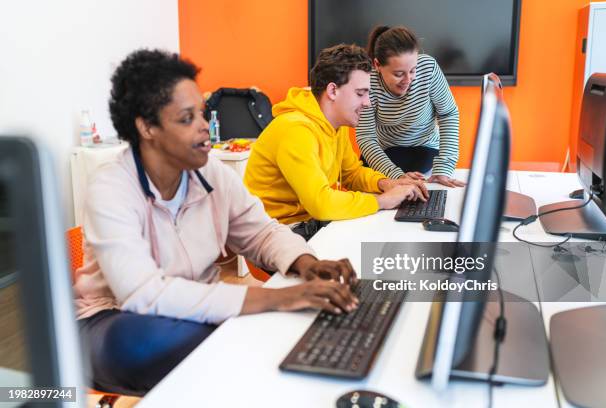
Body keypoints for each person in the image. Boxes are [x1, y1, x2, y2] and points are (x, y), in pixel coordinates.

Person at [73, 49, 359, 395]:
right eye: (185, 118)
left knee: (257, 330)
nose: (203, 126)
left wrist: (308, 263)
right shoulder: (112, 187)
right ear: (146, 127)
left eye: (202, 114)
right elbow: (144, 295)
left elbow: (261, 233)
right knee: (169, 340)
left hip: (195, 311)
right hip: (114, 321)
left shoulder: (210, 173)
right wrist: (277, 299)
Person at [244, 44, 428, 240]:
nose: (368, 102)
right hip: (276, 233)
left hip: (309, 222)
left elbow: (352, 173)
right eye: (360, 93)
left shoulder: (335, 125)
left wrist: (386, 184)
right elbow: (321, 203)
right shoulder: (295, 129)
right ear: (332, 90)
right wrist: (382, 201)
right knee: (372, 249)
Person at [356, 25, 466, 188]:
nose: (408, 79)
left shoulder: (428, 69)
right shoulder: (368, 81)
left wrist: (443, 168)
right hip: (386, 149)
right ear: (377, 65)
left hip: (424, 147)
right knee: (364, 177)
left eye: (413, 70)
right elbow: (366, 137)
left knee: (403, 181)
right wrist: (396, 175)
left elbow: (448, 113)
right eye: (398, 74)